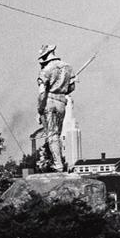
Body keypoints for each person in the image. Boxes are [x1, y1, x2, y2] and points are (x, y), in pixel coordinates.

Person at [36, 44, 75, 172]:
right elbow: (71, 88)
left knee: (52, 135)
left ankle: (58, 164)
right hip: (62, 103)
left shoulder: (46, 70)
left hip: (49, 102)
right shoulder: (68, 67)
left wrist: (40, 109)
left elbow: (42, 92)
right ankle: (58, 161)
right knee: (57, 134)